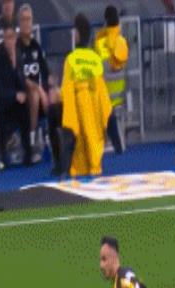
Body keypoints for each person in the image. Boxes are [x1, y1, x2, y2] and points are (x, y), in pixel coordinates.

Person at [61, 14, 111, 177]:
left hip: (77, 119)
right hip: (94, 119)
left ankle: (62, 166)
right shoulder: (96, 60)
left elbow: (67, 92)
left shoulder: (71, 60)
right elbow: (103, 95)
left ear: (78, 33)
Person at [0, 21, 31, 169]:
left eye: (12, 37)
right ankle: (3, 153)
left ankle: (28, 151)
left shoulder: (18, 54)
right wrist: (14, 95)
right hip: (2, 98)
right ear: (3, 38)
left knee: (24, 106)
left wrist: (22, 93)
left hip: (15, 98)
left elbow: (21, 80)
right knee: (1, 109)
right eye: (7, 37)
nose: (10, 41)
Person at [17, 3, 50, 161]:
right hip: (21, 96)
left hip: (38, 94)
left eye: (29, 19)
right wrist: (39, 89)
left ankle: (59, 142)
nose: (26, 23)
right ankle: (32, 141)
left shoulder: (36, 46)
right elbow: (18, 76)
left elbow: (46, 73)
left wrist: (49, 89)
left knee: (57, 95)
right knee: (35, 94)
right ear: (19, 23)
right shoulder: (15, 47)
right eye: (23, 20)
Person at [94, 5, 129, 154]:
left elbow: (99, 68)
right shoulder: (122, 42)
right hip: (120, 94)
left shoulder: (100, 43)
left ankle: (102, 138)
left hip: (106, 94)